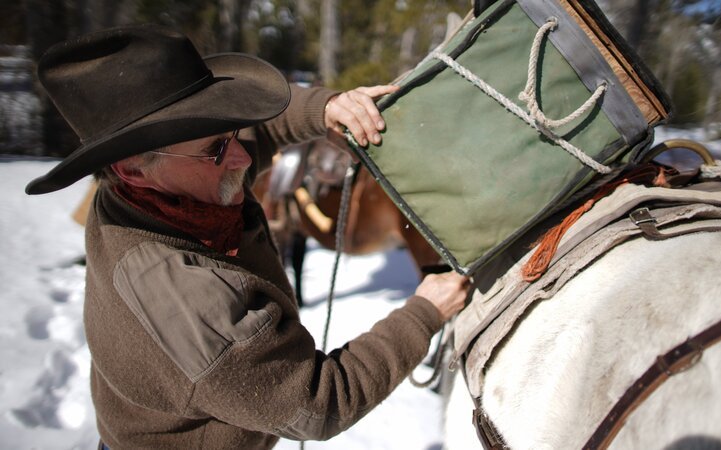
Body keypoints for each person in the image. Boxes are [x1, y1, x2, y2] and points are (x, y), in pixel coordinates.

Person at [25, 24, 470, 448]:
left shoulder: (153, 185)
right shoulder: (185, 296)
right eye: (215, 147)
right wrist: (423, 314)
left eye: (230, 130)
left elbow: (263, 130)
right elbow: (319, 403)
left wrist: (324, 110)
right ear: (131, 168)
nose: (241, 157)